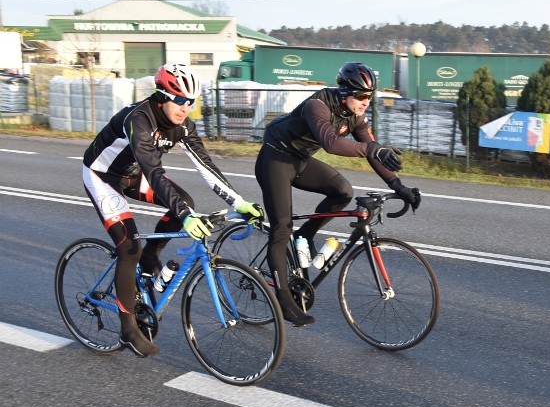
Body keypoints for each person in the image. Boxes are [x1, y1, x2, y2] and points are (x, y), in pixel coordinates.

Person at [82, 63, 264, 358]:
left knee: (184, 202)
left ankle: (151, 258)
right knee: (130, 247)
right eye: (179, 100)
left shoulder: (184, 126)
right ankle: (128, 329)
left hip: (132, 174)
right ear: (162, 96)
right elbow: (155, 173)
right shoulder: (139, 119)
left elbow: (207, 167)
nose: (185, 108)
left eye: (191, 101)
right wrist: (185, 218)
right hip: (101, 176)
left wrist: (238, 202)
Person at [256, 61, 420, 327]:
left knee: (343, 191)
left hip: (300, 160)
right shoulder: (317, 105)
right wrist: (373, 150)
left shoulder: (355, 115)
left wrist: (398, 185)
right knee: (281, 228)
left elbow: (371, 148)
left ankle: (306, 233)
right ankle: (283, 299)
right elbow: (331, 144)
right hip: (274, 159)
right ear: (345, 93)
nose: (367, 102)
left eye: (370, 96)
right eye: (362, 96)